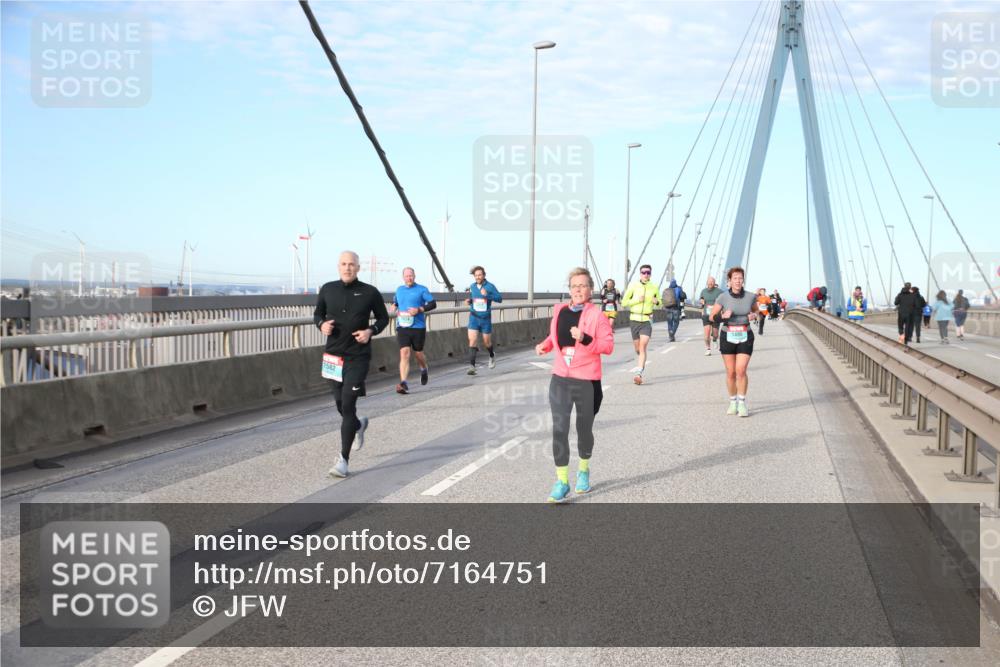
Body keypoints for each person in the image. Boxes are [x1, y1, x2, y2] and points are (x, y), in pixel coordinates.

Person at [535, 267, 614, 503]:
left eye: (583, 286)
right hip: (560, 377)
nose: (578, 290)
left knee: (583, 430)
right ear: (569, 290)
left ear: (590, 290)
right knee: (559, 429)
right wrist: (545, 346)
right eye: (574, 286)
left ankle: (583, 470)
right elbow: (555, 336)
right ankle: (562, 481)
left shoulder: (597, 316)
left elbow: (608, 346)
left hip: (587, 381)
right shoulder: (559, 310)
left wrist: (585, 338)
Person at [315, 251, 390, 478]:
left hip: (358, 357)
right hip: (333, 357)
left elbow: (383, 318)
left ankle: (343, 461)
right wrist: (321, 325)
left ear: (358, 268)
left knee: (347, 405)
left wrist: (370, 331)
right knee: (340, 405)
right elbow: (317, 313)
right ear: (338, 266)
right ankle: (358, 425)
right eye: (344, 264)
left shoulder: (370, 292)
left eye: (352, 265)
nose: (348, 268)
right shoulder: (328, 289)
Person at [709, 266, 759, 417]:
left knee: (741, 370)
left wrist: (754, 315)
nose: (738, 281)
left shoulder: (750, 297)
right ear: (729, 282)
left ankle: (742, 403)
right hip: (728, 335)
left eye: (740, 278)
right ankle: (732, 402)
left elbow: (757, 311)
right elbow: (712, 317)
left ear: (743, 280)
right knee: (731, 373)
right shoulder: (723, 297)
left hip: (745, 334)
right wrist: (723, 317)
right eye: (735, 278)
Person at [390, 267, 437, 394]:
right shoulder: (399, 290)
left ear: (414, 276)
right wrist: (394, 306)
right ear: (403, 277)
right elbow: (396, 302)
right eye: (406, 276)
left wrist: (419, 310)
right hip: (403, 327)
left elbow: (433, 304)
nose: (409, 278)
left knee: (418, 354)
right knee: (404, 353)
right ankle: (403, 382)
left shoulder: (422, 289)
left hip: (418, 327)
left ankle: (424, 369)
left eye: (411, 276)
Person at [621, 264, 661, 385]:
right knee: (638, 348)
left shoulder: (654, 287)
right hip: (634, 319)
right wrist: (637, 300)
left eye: (648, 272)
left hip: (647, 320)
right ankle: (640, 359)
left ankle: (639, 374)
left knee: (643, 346)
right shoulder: (633, 286)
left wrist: (657, 302)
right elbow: (624, 302)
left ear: (650, 274)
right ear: (640, 273)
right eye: (643, 272)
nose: (646, 275)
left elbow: (660, 303)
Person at [465, 265, 503, 375]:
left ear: (484, 275)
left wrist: (487, 295)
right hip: (474, 317)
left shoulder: (490, 286)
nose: (478, 277)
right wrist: (469, 301)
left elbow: (500, 299)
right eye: (476, 275)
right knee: (472, 341)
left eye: (479, 275)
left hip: (485, 318)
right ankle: (472, 366)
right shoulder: (472, 286)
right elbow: (475, 299)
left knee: (487, 342)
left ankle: (491, 355)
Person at [698, 276, 724, 356]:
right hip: (706, 315)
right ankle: (708, 349)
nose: (710, 283)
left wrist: (722, 311)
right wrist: (701, 302)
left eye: (712, 282)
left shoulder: (720, 291)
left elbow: (724, 302)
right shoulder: (703, 291)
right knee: (707, 333)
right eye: (709, 282)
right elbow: (701, 300)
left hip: (716, 315)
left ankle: (715, 339)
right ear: (707, 283)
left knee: (715, 334)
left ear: (714, 282)